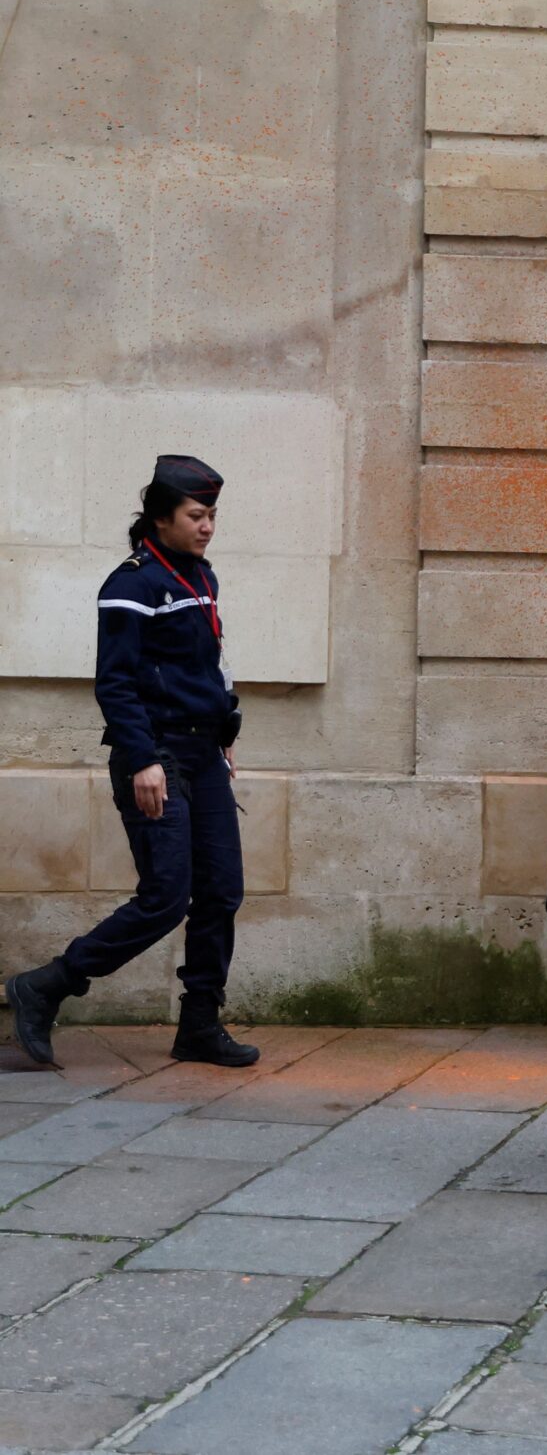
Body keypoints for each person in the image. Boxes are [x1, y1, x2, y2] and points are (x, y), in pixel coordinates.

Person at [7, 456, 259, 1070]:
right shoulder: (130, 586)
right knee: (167, 897)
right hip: (157, 757)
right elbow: (115, 684)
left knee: (222, 892)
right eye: (197, 516)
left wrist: (225, 727)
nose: (207, 527)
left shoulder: (201, 577)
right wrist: (144, 759)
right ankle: (45, 985)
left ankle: (199, 1024)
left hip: (202, 755)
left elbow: (206, 666)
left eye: (212, 516)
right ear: (161, 518)